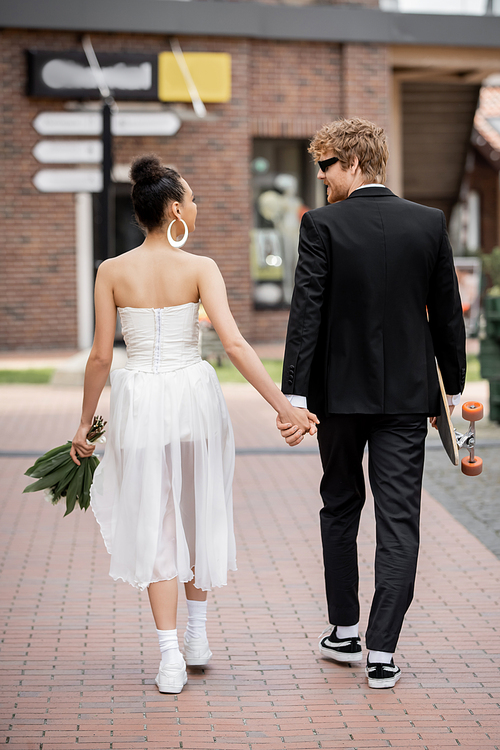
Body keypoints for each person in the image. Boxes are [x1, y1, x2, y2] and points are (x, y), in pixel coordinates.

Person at [70, 155, 318, 695]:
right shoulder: (201, 267)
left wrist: (84, 426)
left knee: (156, 518)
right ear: (176, 209)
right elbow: (233, 343)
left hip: (140, 398)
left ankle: (170, 657)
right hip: (191, 395)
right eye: (193, 197)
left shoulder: (110, 271)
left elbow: (99, 358)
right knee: (198, 508)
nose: (198, 206)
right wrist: (284, 406)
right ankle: (198, 637)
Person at [277, 118, 466, 689]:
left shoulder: (323, 227)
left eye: (327, 166)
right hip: (409, 398)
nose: (322, 178)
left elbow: (306, 311)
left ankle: (344, 630)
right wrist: (450, 390)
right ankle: (383, 650)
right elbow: (449, 314)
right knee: (400, 519)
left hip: (338, 398)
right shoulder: (428, 224)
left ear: (355, 162)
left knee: (339, 506)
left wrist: (294, 394)